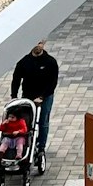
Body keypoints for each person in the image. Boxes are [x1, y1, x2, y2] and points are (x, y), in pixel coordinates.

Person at [10, 42, 60, 174]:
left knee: (42, 122)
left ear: (43, 44)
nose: (37, 46)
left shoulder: (50, 62)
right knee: (26, 122)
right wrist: (14, 96)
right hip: (28, 96)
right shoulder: (24, 62)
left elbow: (52, 82)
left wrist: (42, 97)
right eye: (34, 43)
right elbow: (16, 79)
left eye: (40, 43)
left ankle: (41, 147)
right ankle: (25, 145)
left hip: (44, 96)